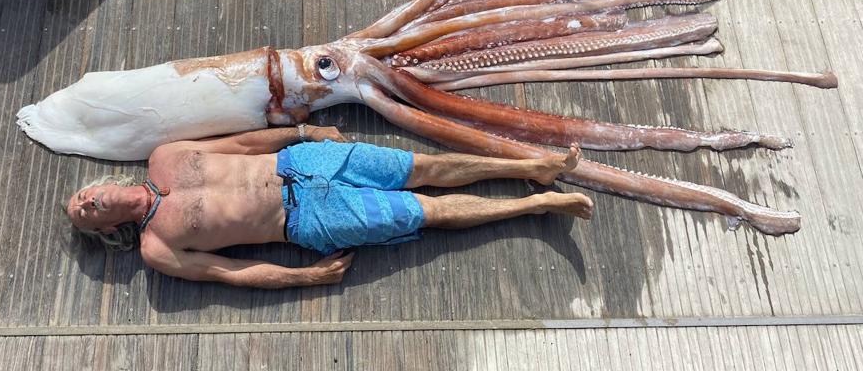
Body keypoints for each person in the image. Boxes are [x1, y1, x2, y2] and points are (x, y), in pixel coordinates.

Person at [65, 126, 592, 289]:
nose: (88, 201)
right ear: (108, 230)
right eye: (85, 212)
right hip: (304, 219)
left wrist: (303, 130)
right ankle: (537, 204)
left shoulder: (164, 156)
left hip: (300, 160)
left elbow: (244, 143)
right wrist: (305, 277)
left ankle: (535, 167)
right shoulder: (158, 248)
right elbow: (232, 272)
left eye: (83, 195)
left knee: (423, 167)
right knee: (424, 213)